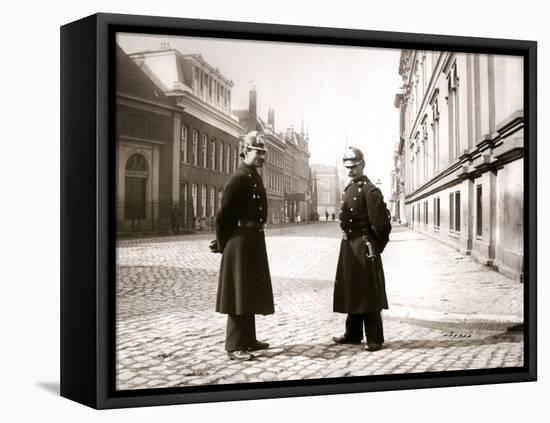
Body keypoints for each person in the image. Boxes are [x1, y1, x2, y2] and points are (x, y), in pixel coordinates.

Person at [209, 131, 274, 361]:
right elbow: (222, 216)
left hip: (253, 239)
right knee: (238, 292)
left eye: (264, 153)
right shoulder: (237, 178)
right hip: (240, 241)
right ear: (245, 151)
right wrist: (223, 244)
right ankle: (234, 345)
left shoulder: (253, 176)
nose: (262, 157)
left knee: (250, 290)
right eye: (258, 152)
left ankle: (249, 339)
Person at [332, 146, 389, 352]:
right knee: (352, 289)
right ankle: (353, 334)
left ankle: (375, 338)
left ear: (363, 165)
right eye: (347, 167)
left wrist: (374, 246)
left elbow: (381, 225)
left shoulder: (370, 191)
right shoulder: (349, 188)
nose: (350, 171)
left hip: (364, 246)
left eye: (354, 167)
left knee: (367, 292)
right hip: (349, 245)